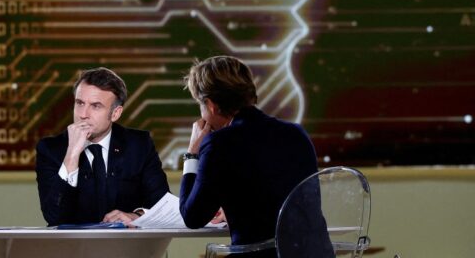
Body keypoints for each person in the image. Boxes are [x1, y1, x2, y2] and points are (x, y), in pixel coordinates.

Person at [179, 56, 321, 256]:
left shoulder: (219, 143)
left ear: (210, 105)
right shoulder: (296, 133)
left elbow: (192, 217)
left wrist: (192, 153)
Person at [35, 67, 169, 225]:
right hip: (73, 248)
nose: (83, 114)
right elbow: (54, 216)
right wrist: (72, 154)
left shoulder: (139, 145)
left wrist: (134, 216)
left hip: (127, 246)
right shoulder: (50, 149)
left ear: (115, 113)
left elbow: (162, 205)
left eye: (95, 106)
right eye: (80, 103)